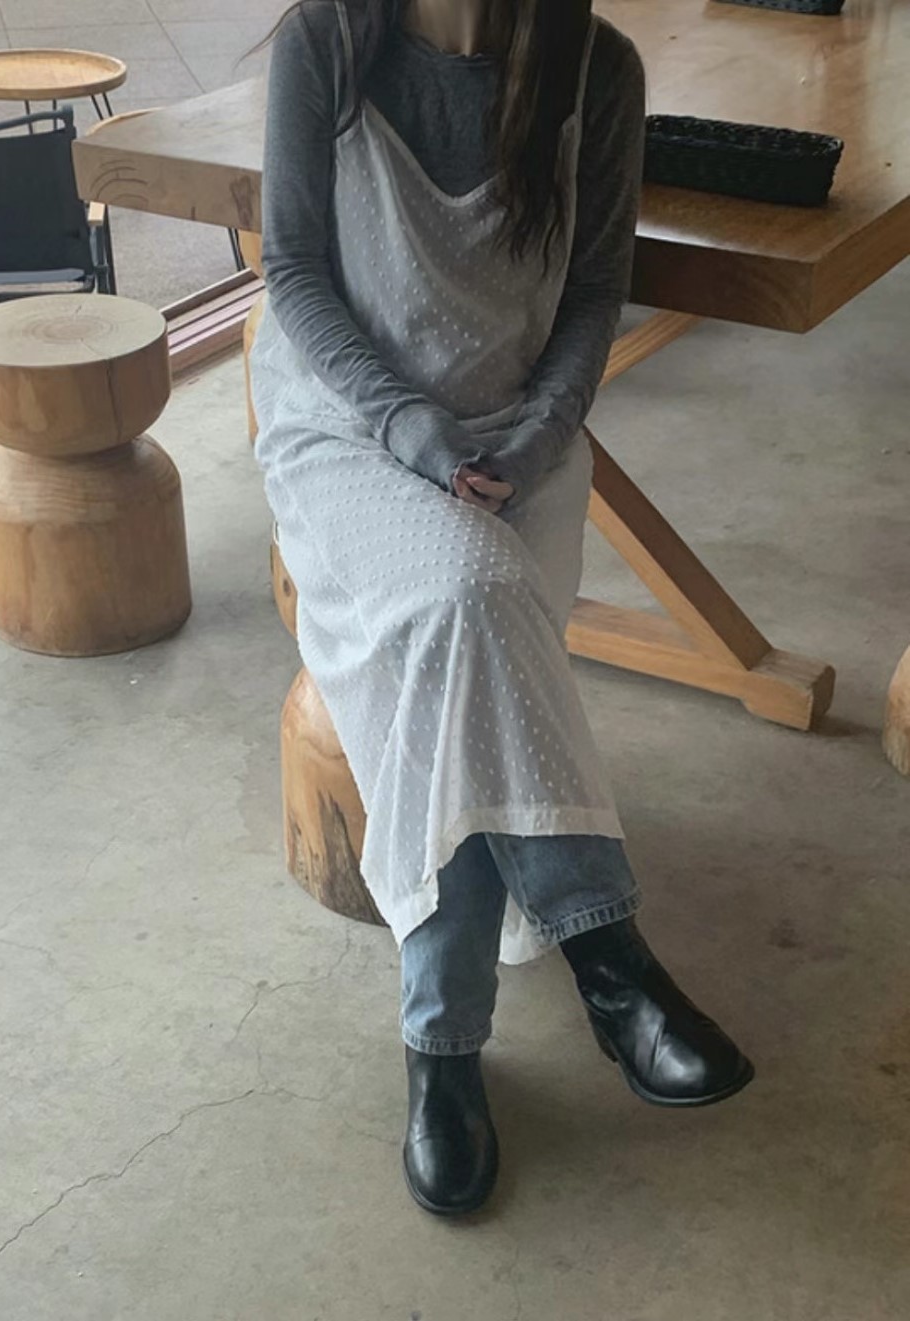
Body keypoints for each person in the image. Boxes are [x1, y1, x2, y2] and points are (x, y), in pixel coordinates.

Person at [250, 0, 754, 1217]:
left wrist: (538, 433)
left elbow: (593, 292)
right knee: (469, 599)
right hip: (349, 424)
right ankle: (610, 962)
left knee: (461, 642)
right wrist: (405, 423)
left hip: (520, 433)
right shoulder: (326, 43)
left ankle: (442, 1048)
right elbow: (294, 272)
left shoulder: (598, 68)